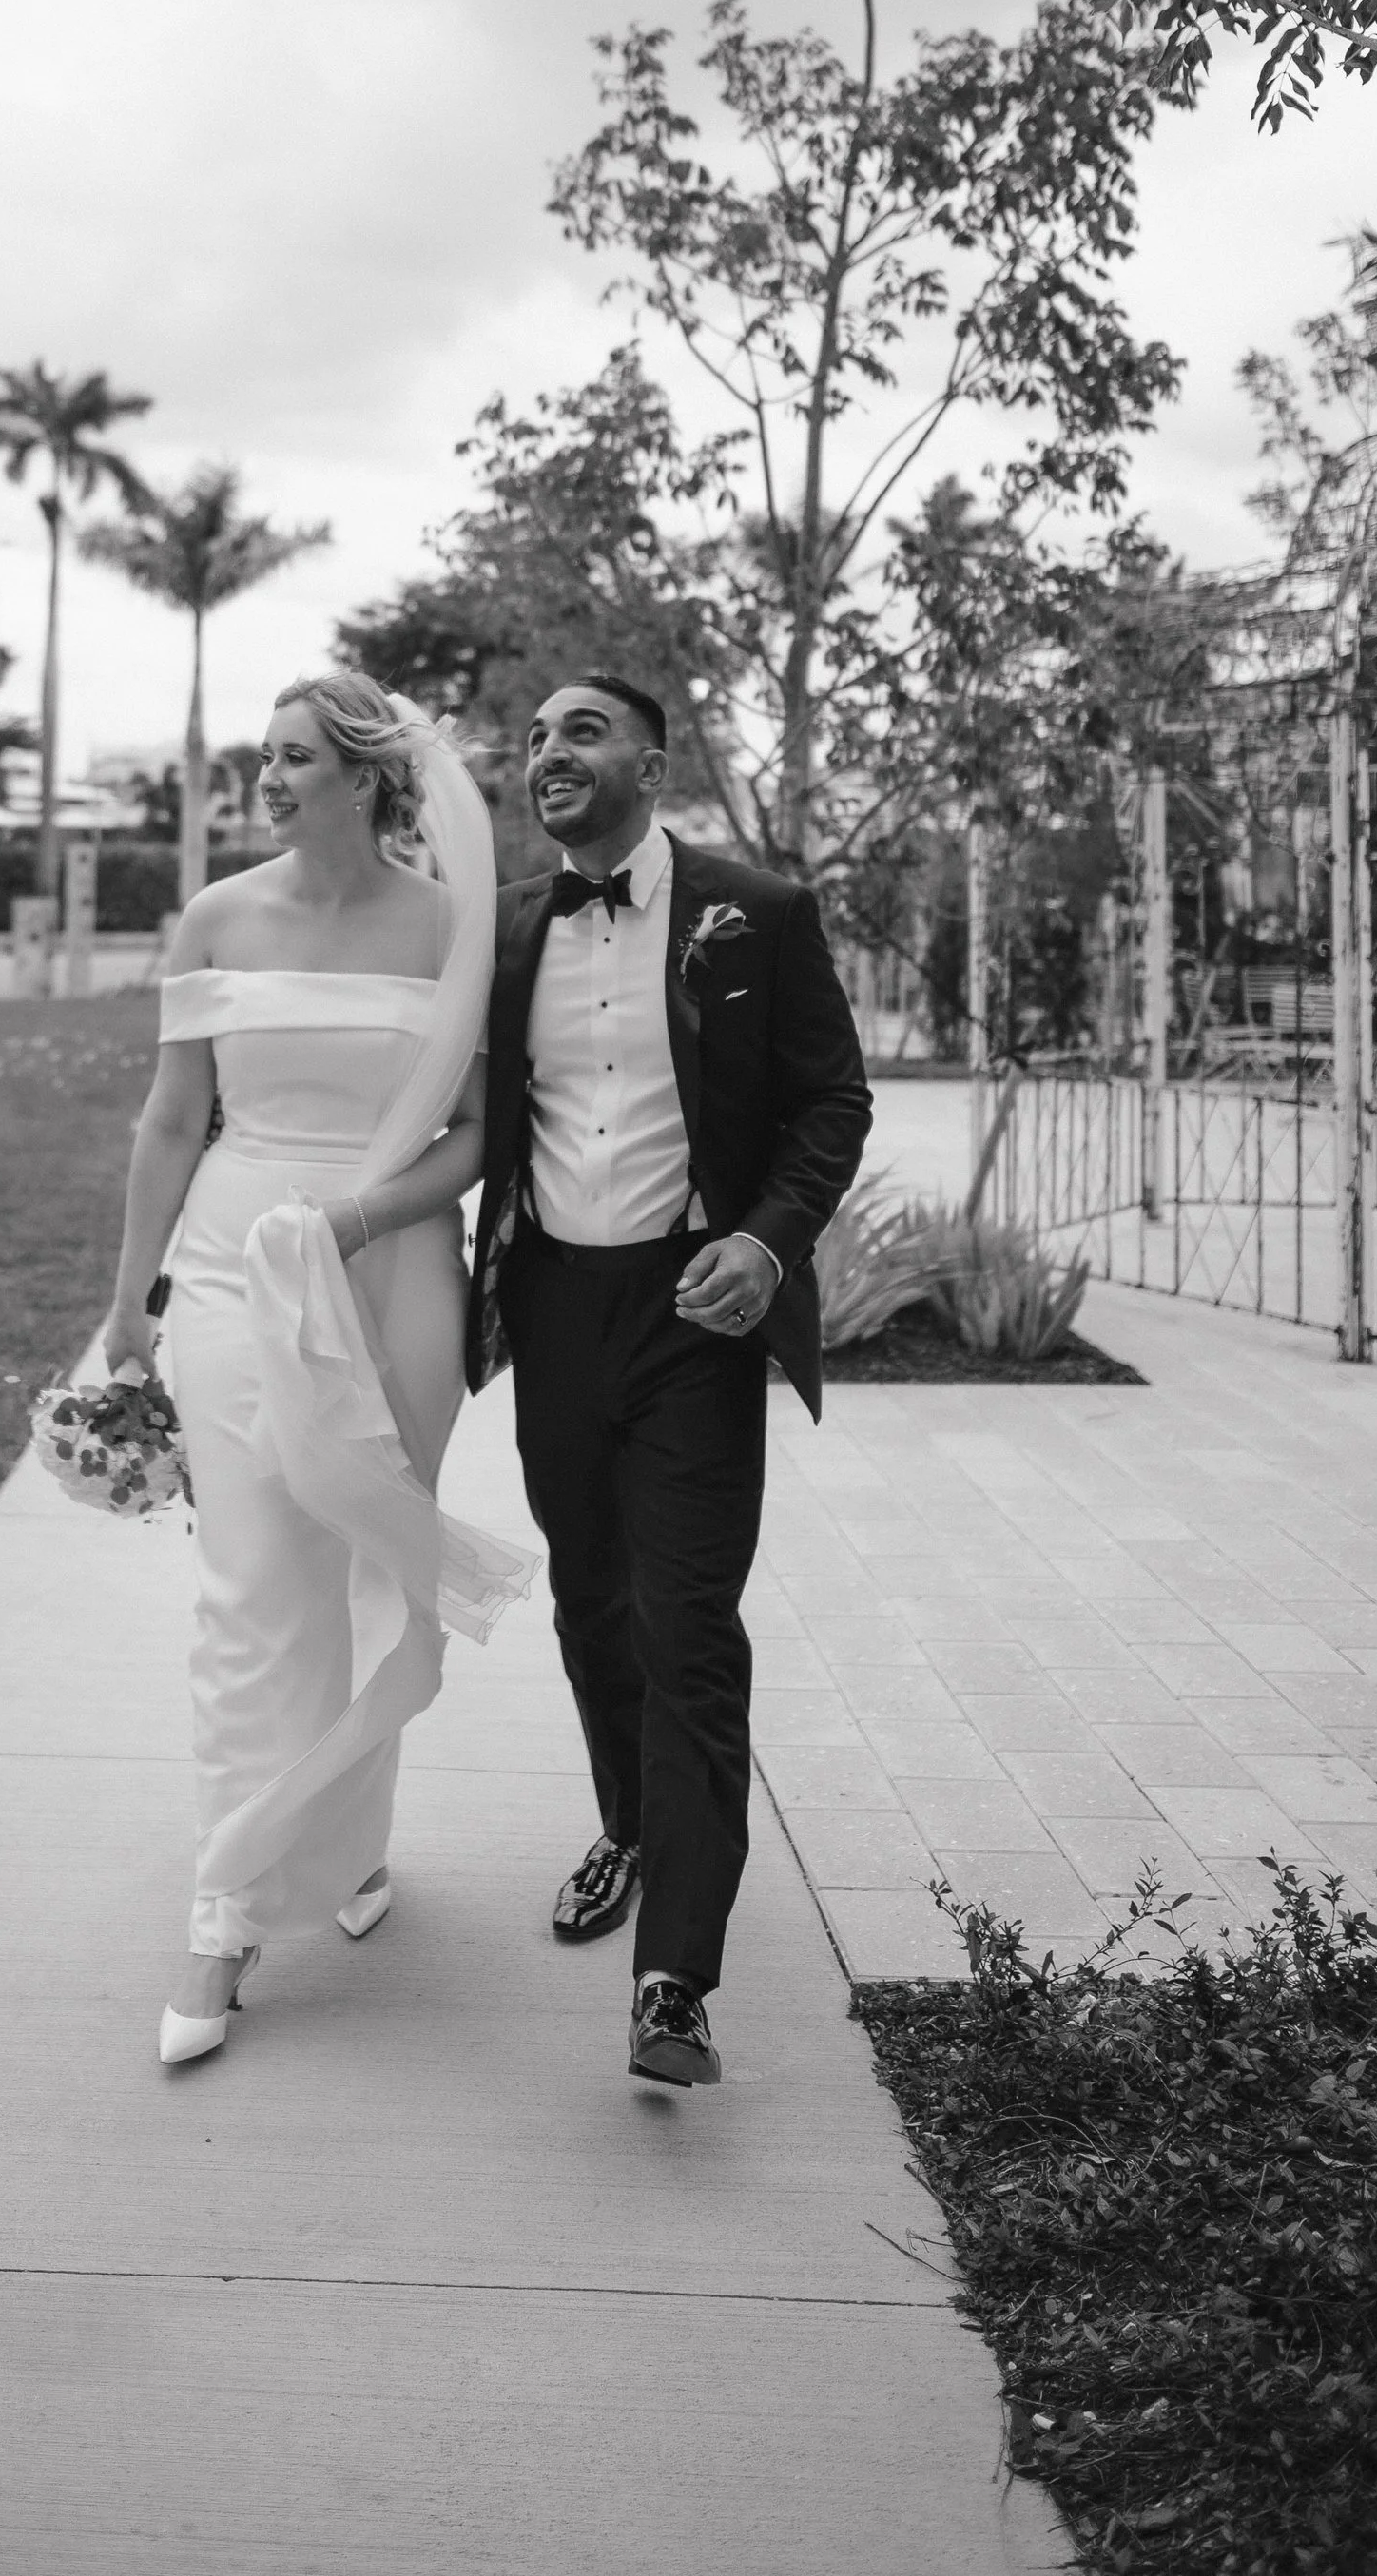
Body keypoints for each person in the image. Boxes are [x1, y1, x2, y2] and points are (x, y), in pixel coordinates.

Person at [102, 669, 532, 2068]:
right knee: (252, 1583)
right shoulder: (217, 917)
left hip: (393, 1267)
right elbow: (171, 1123)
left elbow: (475, 1134)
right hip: (235, 1271)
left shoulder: (449, 927)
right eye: (263, 760)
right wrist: (130, 1304)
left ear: (365, 777)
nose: (268, 782)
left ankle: (348, 1848)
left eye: (293, 760)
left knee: (368, 1570)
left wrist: (358, 1214)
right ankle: (224, 1914)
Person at [467, 675, 871, 2090]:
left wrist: (766, 1244)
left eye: (580, 731)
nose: (548, 753)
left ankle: (675, 1984)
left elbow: (834, 1101)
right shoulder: (509, 923)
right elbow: (464, 1115)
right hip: (556, 1312)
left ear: (653, 759)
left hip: (697, 1312)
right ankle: (630, 1827)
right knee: (595, 1602)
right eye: (533, 739)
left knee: (689, 1622)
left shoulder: (756, 910)